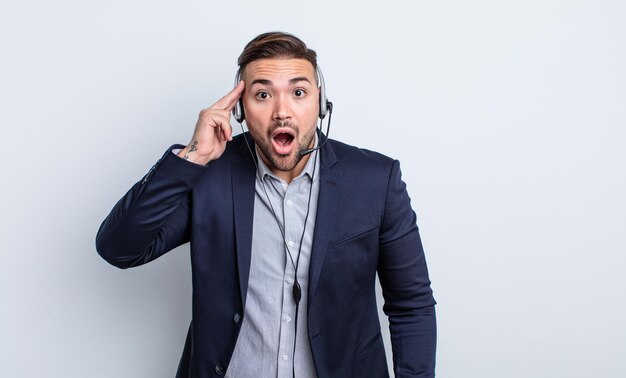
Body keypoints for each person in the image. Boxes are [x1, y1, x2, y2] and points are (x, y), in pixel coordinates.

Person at [96, 31, 436, 378]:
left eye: (298, 93)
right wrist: (192, 157)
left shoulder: (376, 180)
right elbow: (119, 249)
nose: (282, 112)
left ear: (320, 103)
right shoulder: (209, 175)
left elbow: (412, 304)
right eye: (262, 95)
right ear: (241, 109)